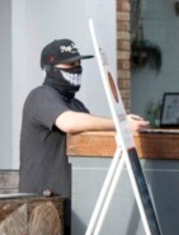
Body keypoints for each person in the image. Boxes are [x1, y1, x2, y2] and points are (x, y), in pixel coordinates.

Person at [19, 38, 148, 198]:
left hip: (70, 204)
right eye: (70, 65)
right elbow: (68, 123)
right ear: (49, 68)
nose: (76, 69)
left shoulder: (76, 105)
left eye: (78, 64)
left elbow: (93, 138)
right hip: (41, 206)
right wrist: (121, 124)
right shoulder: (40, 96)